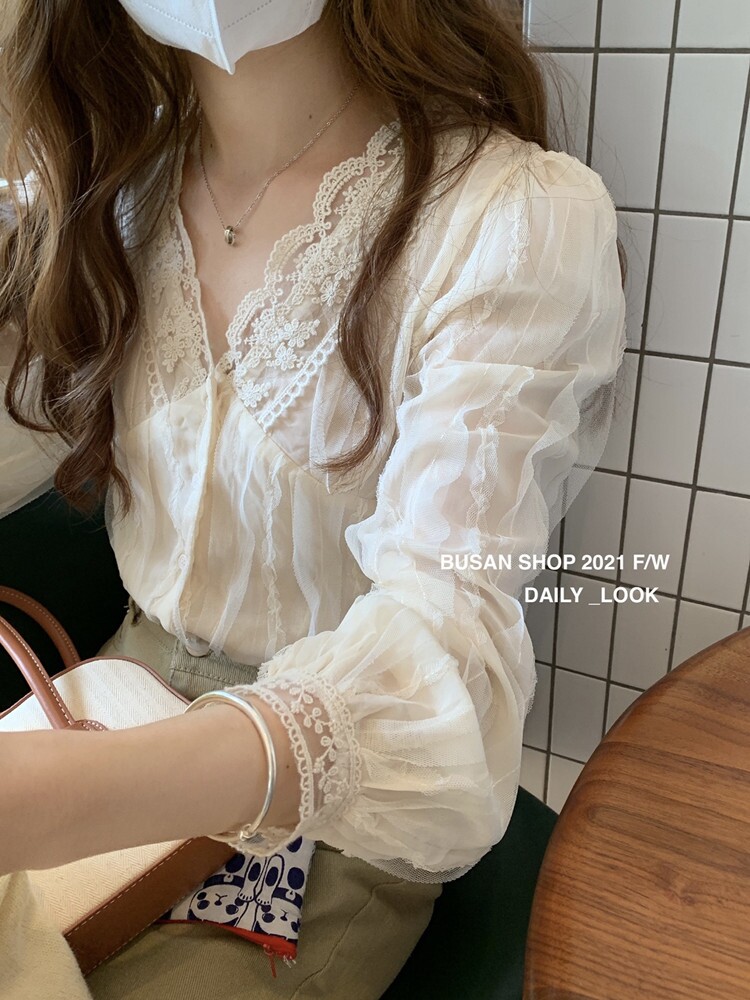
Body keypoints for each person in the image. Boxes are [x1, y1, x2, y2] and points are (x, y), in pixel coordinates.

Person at [0, 1, 627, 997]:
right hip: (111, 700)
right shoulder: (110, 188)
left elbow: (449, 649)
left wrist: (67, 799)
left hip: (339, 793)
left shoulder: (509, 220)